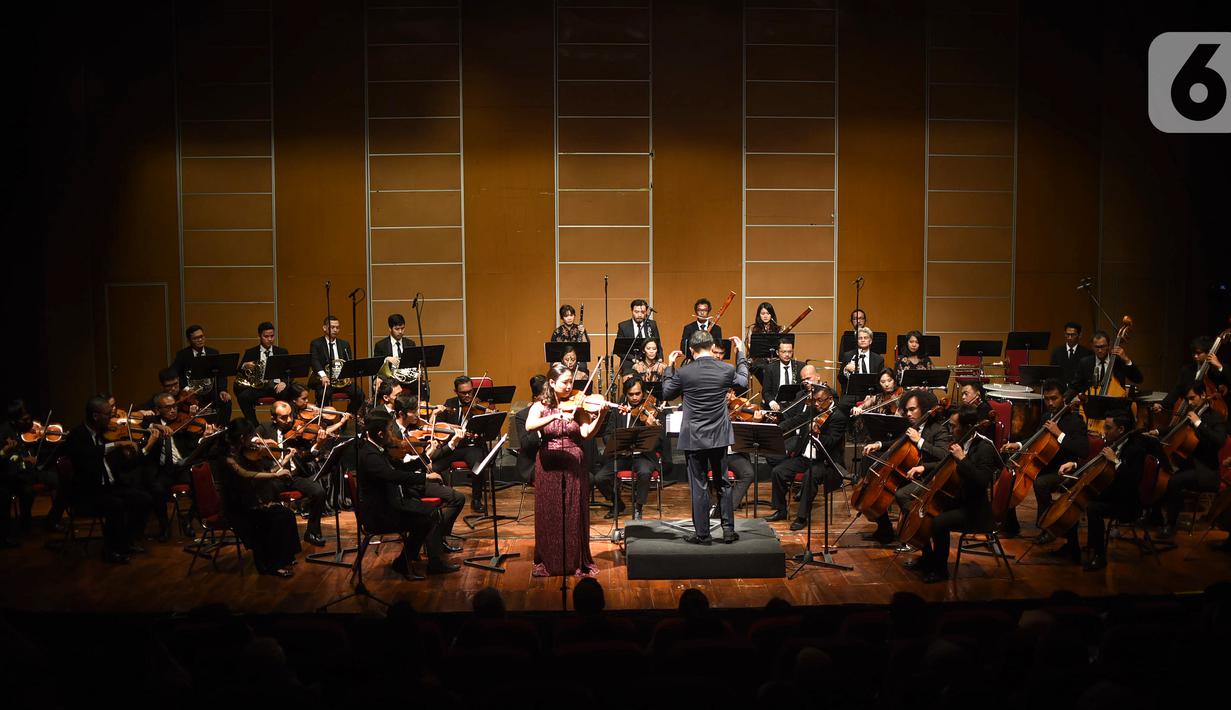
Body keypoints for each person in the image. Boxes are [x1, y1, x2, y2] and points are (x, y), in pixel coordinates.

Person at [661, 330, 749, 545]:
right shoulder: (726, 369)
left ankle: (703, 534)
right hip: (718, 435)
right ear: (712, 348)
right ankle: (728, 531)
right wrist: (741, 354)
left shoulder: (684, 372)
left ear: (691, 350)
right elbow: (744, 382)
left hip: (695, 437)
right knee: (723, 483)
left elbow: (666, 392)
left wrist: (670, 367)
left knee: (699, 485)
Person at [526, 363, 608, 577]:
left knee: (573, 511)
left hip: (574, 464)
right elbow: (530, 425)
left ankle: (574, 562)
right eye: (565, 382)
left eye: (571, 381)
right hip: (549, 464)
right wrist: (554, 415)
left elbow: (587, 433)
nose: (570, 386)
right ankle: (551, 561)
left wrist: (600, 416)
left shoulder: (578, 405)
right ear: (552, 383)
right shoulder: (541, 405)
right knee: (550, 512)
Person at [356, 415, 460, 577]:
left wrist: (425, 456)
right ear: (380, 434)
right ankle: (421, 563)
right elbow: (393, 476)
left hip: (388, 504)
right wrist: (425, 477)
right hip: (380, 514)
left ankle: (406, 562)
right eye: (390, 430)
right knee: (430, 514)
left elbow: (401, 468)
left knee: (429, 514)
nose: (393, 434)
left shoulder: (375, 449)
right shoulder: (370, 456)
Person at [909, 405, 998, 584]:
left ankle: (941, 570)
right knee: (918, 509)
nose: (951, 430)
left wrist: (963, 459)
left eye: (954, 426)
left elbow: (982, 481)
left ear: (968, 427)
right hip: (957, 500)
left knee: (938, 522)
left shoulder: (984, 447)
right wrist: (923, 467)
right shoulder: (959, 441)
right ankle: (928, 558)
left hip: (975, 509)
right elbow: (945, 464)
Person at [59, 396, 153, 563]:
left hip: (110, 486)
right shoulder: (77, 435)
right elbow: (86, 455)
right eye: (108, 415)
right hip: (88, 491)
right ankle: (111, 551)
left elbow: (122, 466)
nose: (112, 419)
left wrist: (141, 451)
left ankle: (127, 541)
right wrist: (115, 446)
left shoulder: (106, 434)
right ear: (95, 416)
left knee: (143, 498)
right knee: (115, 505)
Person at [999, 379, 1089, 540]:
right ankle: (1010, 525)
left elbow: (1082, 450)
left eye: (1054, 398)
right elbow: (1035, 438)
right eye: (1047, 399)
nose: (1050, 403)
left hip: (1064, 469)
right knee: (1009, 471)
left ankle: (1047, 527)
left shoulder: (1075, 421)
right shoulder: (1047, 416)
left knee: (1041, 483)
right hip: (1044, 464)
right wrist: (1018, 444)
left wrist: (1059, 434)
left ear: (1064, 398)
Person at [861, 390, 952, 547]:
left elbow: (944, 455)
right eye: (907, 410)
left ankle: (914, 531)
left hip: (928, 476)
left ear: (924, 408)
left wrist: (920, 441)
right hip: (908, 472)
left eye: (912, 409)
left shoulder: (938, 429)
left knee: (902, 494)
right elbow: (898, 443)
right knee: (879, 488)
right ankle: (886, 531)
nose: (908, 413)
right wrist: (879, 444)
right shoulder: (912, 426)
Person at [217, 420, 301, 577]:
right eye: (251, 436)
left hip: (252, 501)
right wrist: (276, 475)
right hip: (238, 507)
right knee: (273, 520)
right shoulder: (228, 457)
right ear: (242, 437)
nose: (254, 440)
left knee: (287, 514)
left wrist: (285, 459)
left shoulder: (244, 452)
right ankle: (271, 565)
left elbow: (267, 472)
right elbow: (246, 475)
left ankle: (285, 557)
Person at [767, 384, 847, 531]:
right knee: (778, 471)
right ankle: (781, 510)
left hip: (825, 461)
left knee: (809, 477)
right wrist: (778, 427)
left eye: (820, 401)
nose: (816, 404)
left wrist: (818, 435)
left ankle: (801, 517)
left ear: (829, 399)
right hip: (806, 457)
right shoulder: (813, 410)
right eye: (815, 400)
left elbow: (831, 442)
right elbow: (797, 420)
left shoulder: (838, 417)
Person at [256, 401, 328, 547]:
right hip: (274, 476)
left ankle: (312, 532)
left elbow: (308, 457)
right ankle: (277, 540)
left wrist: (318, 444)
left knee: (318, 491)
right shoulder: (265, 427)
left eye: (290, 415)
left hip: (295, 477)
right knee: (270, 497)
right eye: (283, 417)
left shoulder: (299, 430)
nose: (289, 420)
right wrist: (262, 440)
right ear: (274, 418)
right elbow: (250, 439)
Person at [1159, 384, 1227, 539]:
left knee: (1174, 481)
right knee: (1162, 474)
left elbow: (1219, 441)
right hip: (1187, 465)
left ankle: (1170, 524)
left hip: (1206, 470)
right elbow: (1175, 429)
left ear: (1203, 395)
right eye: (1187, 399)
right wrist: (1157, 431)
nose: (1189, 402)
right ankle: (1155, 515)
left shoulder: (1215, 417)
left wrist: (1198, 424)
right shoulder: (1191, 414)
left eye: (1192, 398)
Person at [594, 377, 660, 520]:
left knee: (644, 471)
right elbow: (607, 434)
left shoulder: (650, 410)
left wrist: (652, 426)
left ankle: (638, 507)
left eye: (638, 393)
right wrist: (616, 445)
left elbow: (659, 440)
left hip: (643, 456)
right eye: (631, 394)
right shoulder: (617, 411)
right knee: (599, 478)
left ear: (643, 393)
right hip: (622, 455)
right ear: (625, 394)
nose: (635, 397)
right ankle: (617, 503)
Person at [432, 376, 490, 512]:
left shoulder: (479, 406)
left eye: (470, 391)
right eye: (463, 393)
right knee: (434, 466)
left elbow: (488, 430)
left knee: (478, 466)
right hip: (454, 447)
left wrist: (485, 421)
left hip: (472, 447)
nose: (468, 395)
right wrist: (454, 430)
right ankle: (446, 495)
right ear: (456, 391)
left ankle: (476, 499)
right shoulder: (449, 404)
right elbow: (439, 425)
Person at [171, 324, 233, 424]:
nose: (200, 340)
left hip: (211, 390)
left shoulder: (213, 352)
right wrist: (186, 389)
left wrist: (223, 390)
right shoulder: (182, 355)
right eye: (196, 338)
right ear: (189, 340)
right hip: (192, 393)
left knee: (226, 402)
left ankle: (222, 429)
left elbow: (221, 374)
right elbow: (174, 373)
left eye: (201, 336)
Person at [308, 314, 365, 416]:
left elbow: (349, 362)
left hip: (342, 381)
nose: (335, 330)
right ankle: (326, 421)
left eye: (337, 327)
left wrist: (348, 375)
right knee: (322, 395)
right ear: (324, 328)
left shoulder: (344, 344)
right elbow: (314, 361)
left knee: (359, 394)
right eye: (332, 327)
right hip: (326, 380)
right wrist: (323, 376)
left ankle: (347, 415)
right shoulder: (316, 343)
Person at [235, 321, 290, 424]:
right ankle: (254, 424)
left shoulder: (282, 352)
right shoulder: (250, 352)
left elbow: (289, 371)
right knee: (243, 397)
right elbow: (239, 371)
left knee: (289, 391)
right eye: (266, 336)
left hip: (276, 386)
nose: (270, 339)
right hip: (258, 387)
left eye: (272, 336)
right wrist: (244, 365)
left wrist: (284, 382)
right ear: (259, 336)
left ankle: (284, 422)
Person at [1066, 330, 1143, 398]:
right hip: (1091, 404)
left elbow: (1138, 379)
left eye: (1102, 347)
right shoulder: (1085, 363)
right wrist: (1065, 399)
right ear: (1092, 346)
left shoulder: (1118, 361)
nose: (1099, 350)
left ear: (1109, 346)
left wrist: (1126, 359)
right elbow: (1074, 386)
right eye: (1097, 347)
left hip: (1115, 405)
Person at [839, 327, 885, 411]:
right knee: (842, 404)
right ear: (857, 341)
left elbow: (880, 380)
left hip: (871, 395)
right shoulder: (847, 356)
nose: (863, 340)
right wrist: (846, 369)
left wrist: (872, 396)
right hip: (852, 396)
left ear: (870, 341)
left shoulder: (878, 359)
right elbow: (841, 379)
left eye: (865, 338)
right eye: (860, 338)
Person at [512, 375, 547, 484]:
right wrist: (539, 425)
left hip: (556, 459)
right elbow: (526, 444)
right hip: (533, 464)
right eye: (545, 396)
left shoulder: (556, 411)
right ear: (536, 398)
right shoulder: (522, 416)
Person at [372, 313, 419, 392]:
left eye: (402, 328)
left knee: (423, 386)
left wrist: (417, 372)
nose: (400, 332)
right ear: (390, 329)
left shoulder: (410, 343)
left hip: (406, 378)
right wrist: (386, 359)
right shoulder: (381, 345)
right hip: (388, 379)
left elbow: (414, 363)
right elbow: (375, 365)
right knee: (378, 383)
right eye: (397, 329)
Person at [761, 338, 803, 411]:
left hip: (795, 404)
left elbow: (803, 388)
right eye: (783, 352)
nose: (787, 354)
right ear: (777, 352)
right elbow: (766, 392)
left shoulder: (800, 366)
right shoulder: (770, 368)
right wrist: (772, 403)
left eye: (789, 352)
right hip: (777, 404)